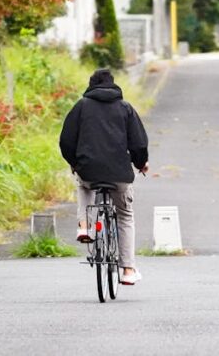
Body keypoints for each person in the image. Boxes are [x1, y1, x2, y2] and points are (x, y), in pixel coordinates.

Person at [59, 68, 148, 285]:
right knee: (124, 215)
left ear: (91, 86)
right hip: (119, 174)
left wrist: (74, 164)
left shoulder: (81, 107)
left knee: (83, 184)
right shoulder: (125, 108)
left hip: (88, 170)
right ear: (113, 85)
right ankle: (128, 270)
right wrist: (140, 163)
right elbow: (138, 143)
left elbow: (66, 141)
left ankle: (85, 226)